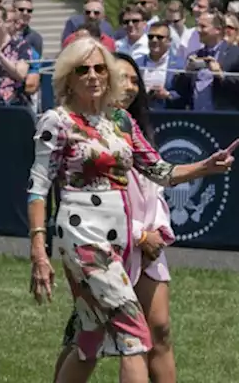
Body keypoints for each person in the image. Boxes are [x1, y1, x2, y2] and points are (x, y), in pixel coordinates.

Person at [28, 38, 239, 383]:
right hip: (83, 237)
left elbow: (160, 170)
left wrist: (206, 166)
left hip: (121, 238)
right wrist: (39, 250)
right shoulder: (58, 121)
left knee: (90, 338)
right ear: (69, 77)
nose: (93, 76)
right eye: (83, 69)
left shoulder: (120, 120)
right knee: (134, 334)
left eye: (99, 68)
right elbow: (37, 188)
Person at [51, 52, 177, 383]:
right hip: (100, 242)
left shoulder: (134, 129)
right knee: (100, 333)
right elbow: (68, 192)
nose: (130, 86)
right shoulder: (78, 130)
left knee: (155, 328)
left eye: (135, 80)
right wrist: (137, 234)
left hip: (149, 244)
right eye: (122, 78)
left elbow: (158, 182)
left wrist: (159, 231)